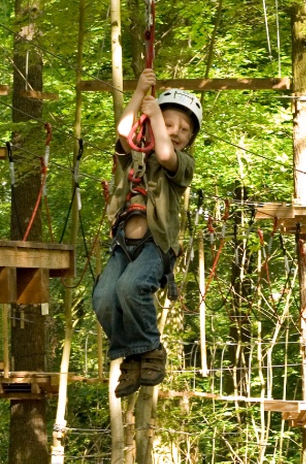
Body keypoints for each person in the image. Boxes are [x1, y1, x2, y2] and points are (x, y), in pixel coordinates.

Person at [92, 68, 202, 398]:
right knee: (103, 298)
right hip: (124, 244)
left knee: (132, 287)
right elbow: (125, 130)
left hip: (156, 243)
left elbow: (166, 153)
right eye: (170, 124)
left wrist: (156, 116)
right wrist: (140, 94)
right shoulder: (133, 156)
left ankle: (150, 349)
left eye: (184, 129)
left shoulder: (181, 164)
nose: (176, 132)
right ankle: (133, 354)